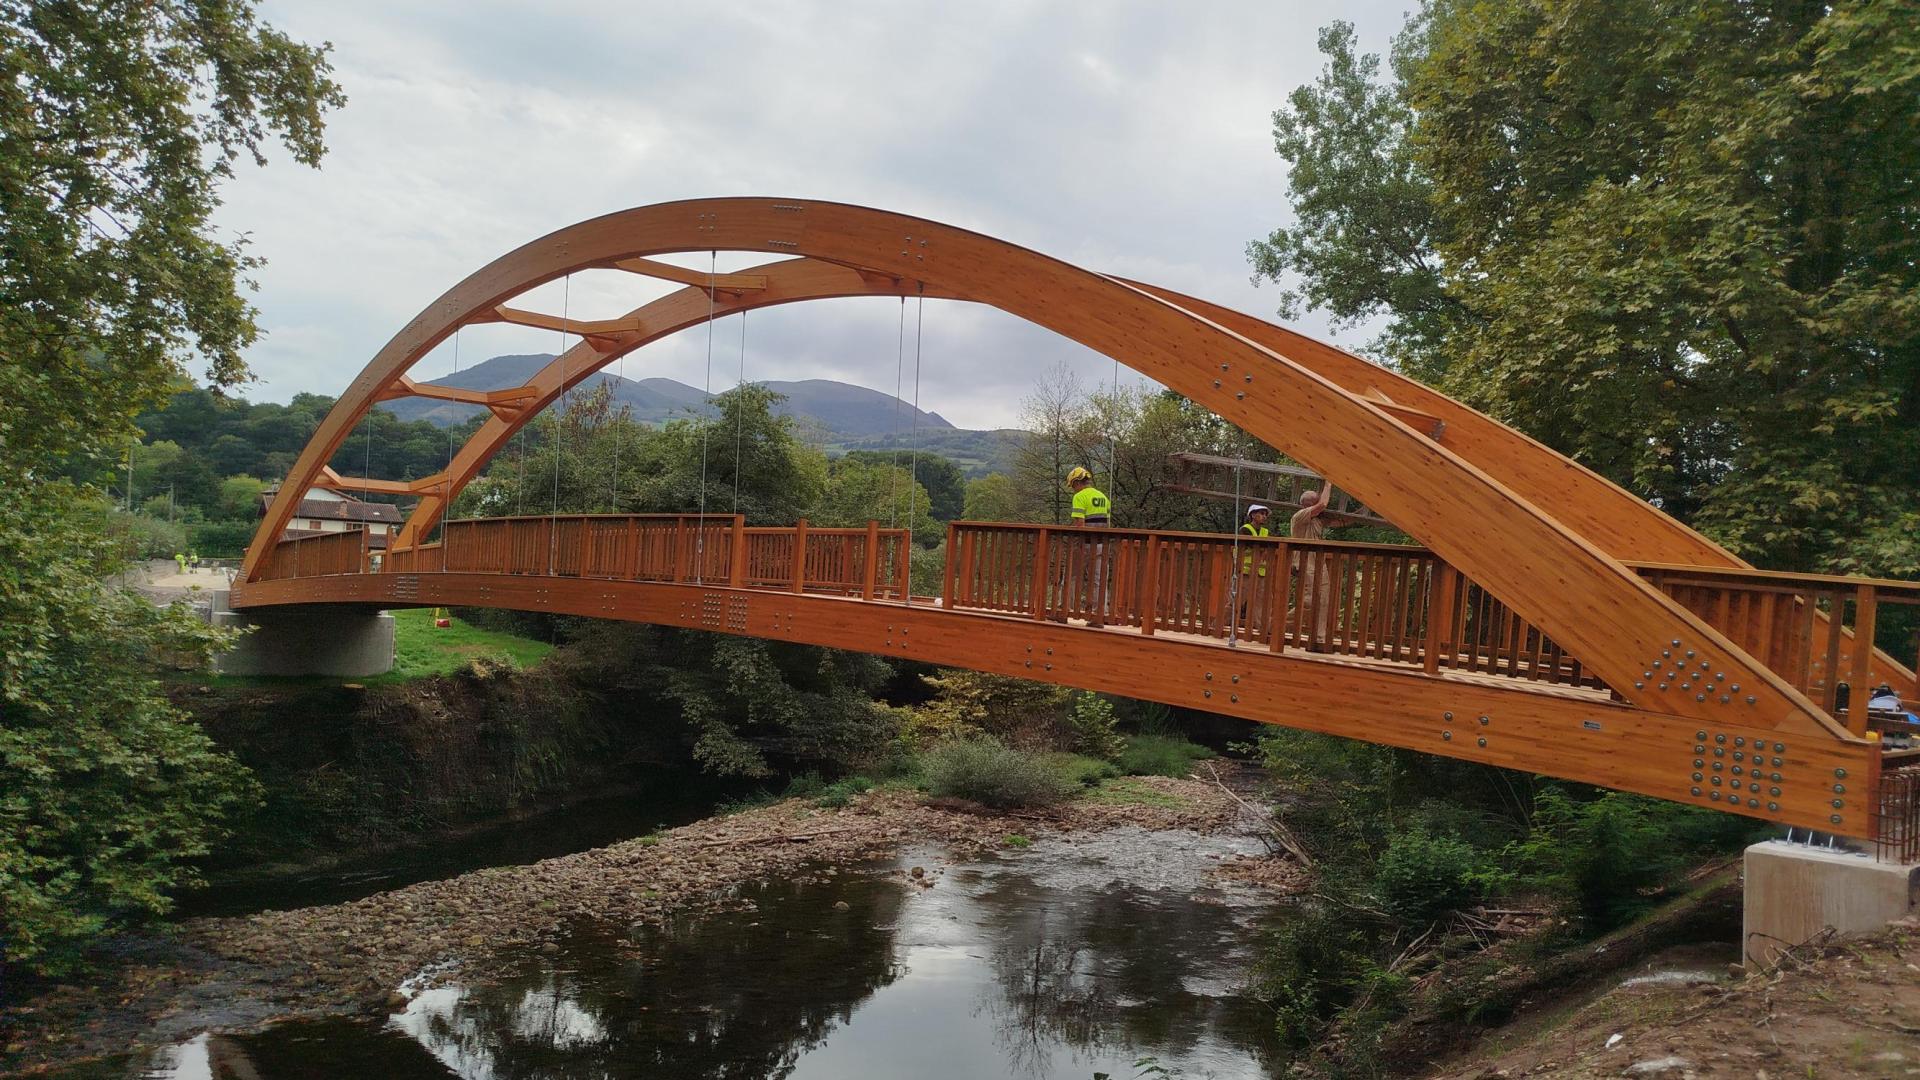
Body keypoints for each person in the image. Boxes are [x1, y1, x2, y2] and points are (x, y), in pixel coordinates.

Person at [1062, 466, 1111, 628]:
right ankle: (1098, 617)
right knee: (1099, 580)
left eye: (1073, 485)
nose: (1073, 489)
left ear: (1077, 482)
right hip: (1102, 544)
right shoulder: (1103, 496)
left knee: (1071, 577)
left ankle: (1063, 612)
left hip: (1085, 544)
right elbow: (1108, 524)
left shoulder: (1079, 497)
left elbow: (1079, 524)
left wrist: (1075, 540)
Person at [1289, 481, 1334, 651]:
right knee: (1309, 601)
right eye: (1315, 500)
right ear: (1307, 504)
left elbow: (1340, 522)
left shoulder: (1317, 520)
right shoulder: (1299, 516)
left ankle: (1319, 638)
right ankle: (1277, 625)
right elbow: (1323, 505)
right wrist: (1328, 484)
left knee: (1323, 599)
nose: (1319, 501)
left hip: (1318, 563)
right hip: (1305, 563)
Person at [1232, 505, 1274, 637]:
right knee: (1236, 599)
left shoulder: (1265, 532)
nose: (1264, 516)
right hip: (1245, 570)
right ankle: (1220, 624)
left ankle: (1263, 629)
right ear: (1252, 515)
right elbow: (1257, 547)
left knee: (1261, 601)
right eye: (1261, 513)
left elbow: (1267, 549)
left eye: (1265, 514)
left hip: (1260, 572)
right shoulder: (1245, 529)